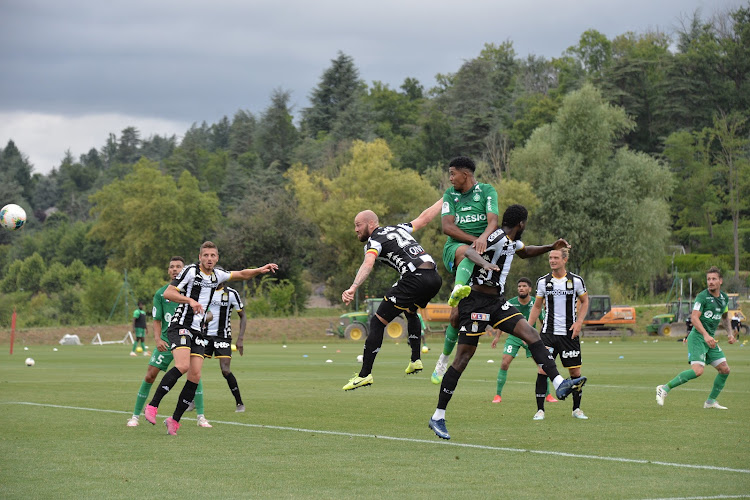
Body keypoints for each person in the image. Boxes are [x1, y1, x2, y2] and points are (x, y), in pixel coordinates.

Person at [428, 204, 585, 440]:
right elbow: (470, 252)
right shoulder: (496, 236)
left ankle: (559, 381)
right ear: (521, 223)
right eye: (526, 223)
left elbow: (526, 250)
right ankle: (438, 416)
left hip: (497, 302)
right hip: (475, 302)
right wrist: (485, 264)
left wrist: (550, 247)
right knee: (462, 359)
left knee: (531, 334)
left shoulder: (511, 242)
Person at [144, 241, 278, 435]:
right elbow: (169, 292)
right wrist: (190, 300)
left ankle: (174, 420)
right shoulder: (190, 271)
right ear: (200, 257)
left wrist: (260, 269)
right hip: (181, 325)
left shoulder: (217, 275)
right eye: (205, 255)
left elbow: (241, 274)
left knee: (195, 375)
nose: (209, 259)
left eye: (213, 255)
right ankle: (153, 406)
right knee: (182, 366)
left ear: (217, 258)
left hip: (199, 331)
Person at [341, 202, 443, 391]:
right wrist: (444, 198)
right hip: (434, 277)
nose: (355, 230)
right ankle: (415, 360)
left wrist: (353, 287)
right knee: (411, 311)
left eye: (358, 224)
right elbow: (424, 219)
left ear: (371, 223)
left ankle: (364, 375)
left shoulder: (375, 241)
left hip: (414, 277)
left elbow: (368, 264)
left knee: (378, 323)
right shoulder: (398, 228)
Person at [431, 156, 499, 385]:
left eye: (453, 174)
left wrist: (482, 239)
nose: (450, 179)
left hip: (480, 250)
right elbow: (447, 227)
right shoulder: (451, 195)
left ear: (466, 174)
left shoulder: (487, 191)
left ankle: (443, 359)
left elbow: (493, 222)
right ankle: (459, 286)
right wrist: (474, 240)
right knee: (465, 251)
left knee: (455, 316)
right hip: (456, 249)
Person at [126, 257, 210, 428]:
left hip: (187, 338)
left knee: (195, 374)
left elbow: (207, 313)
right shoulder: (161, 293)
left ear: (184, 270)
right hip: (166, 340)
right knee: (150, 375)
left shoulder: (194, 291)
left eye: (179, 267)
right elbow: (157, 320)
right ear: (168, 271)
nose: (175, 269)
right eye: (172, 267)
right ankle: (135, 416)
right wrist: (157, 339)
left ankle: (201, 416)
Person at [656, 266, 735, 409]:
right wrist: (705, 335)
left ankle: (710, 402)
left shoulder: (724, 299)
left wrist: (730, 334)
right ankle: (664, 388)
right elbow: (694, 318)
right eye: (708, 279)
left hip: (709, 339)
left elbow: (724, 318)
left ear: (720, 281)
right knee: (698, 371)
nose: (710, 282)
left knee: (725, 369)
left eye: (713, 279)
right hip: (698, 337)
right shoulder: (702, 297)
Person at [528, 248, 589, 420]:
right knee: (542, 369)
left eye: (556, 258)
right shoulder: (543, 282)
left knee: (575, 373)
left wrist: (579, 322)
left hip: (569, 334)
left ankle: (576, 409)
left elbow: (585, 301)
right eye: (550, 257)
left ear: (565, 260)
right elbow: (537, 306)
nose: (552, 260)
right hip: (548, 333)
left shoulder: (576, 281)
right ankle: (540, 410)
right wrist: (527, 327)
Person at [490, 277, 557, 404]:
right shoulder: (510, 303)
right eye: (519, 286)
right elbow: (502, 321)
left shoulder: (535, 303)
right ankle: (497, 395)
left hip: (531, 337)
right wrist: (497, 337)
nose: (521, 288)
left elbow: (543, 322)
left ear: (530, 289)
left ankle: (548, 395)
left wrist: (544, 338)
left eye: (524, 286)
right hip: (514, 337)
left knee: (542, 365)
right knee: (505, 362)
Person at [200, 281, 248, 412]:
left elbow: (243, 316)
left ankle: (239, 403)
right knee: (194, 368)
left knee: (225, 370)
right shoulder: (204, 292)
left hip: (223, 336)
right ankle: (192, 400)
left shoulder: (232, 294)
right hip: (204, 336)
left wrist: (240, 338)